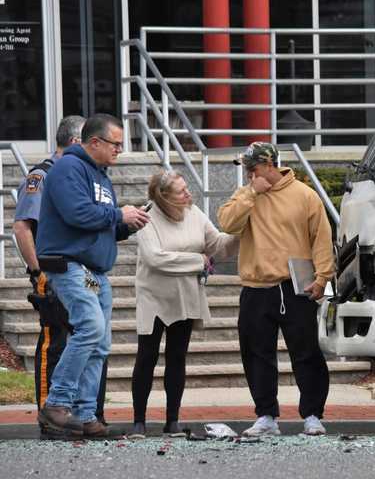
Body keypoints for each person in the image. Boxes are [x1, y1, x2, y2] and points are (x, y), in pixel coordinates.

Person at [35, 113, 151, 437]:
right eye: (115, 144)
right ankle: (57, 404)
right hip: (69, 264)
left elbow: (98, 226)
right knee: (90, 326)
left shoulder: (101, 176)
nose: (119, 151)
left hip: (91, 270)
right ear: (95, 142)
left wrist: (125, 224)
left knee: (100, 341)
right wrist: (118, 213)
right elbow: (77, 214)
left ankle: (86, 415)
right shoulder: (67, 169)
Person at [218, 142, 334, 437]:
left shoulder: (304, 196)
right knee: (256, 354)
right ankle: (266, 415)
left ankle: (312, 414)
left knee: (306, 352)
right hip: (256, 286)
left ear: (269, 165)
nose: (248, 173)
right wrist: (251, 193)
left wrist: (323, 278)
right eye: (246, 168)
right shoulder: (246, 195)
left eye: (252, 168)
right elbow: (227, 223)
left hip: (296, 286)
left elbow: (321, 238)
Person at [14, 116, 111, 430]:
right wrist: (37, 272)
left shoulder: (88, 175)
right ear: (77, 142)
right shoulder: (44, 175)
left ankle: (83, 413)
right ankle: (50, 412)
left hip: (82, 267)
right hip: (56, 267)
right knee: (54, 343)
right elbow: (23, 227)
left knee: (90, 339)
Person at [128, 170, 238, 439]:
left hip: (186, 295)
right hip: (153, 296)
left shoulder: (195, 213)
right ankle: (138, 422)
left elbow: (218, 246)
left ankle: (172, 421)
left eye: (187, 188)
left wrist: (243, 231)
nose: (188, 193)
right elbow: (155, 259)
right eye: (181, 191)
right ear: (164, 197)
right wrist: (198, 261)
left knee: (177, 358)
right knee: (147, 357)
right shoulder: (146, 216)